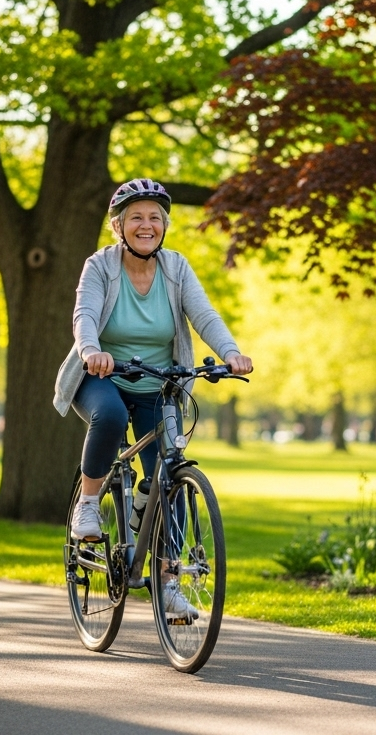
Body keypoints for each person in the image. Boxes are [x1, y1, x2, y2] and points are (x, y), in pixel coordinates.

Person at [52, 178, 253, 618]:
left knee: (171, 476)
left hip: (160, 384)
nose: (147, 225)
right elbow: (84, 314)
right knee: (108, 415)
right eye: (137, 217)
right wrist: (91, 351)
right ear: (118, 226)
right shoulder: (100, 266)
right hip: (103, 376)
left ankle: (167, 584)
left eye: (155, 218)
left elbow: (204, 314)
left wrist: (231, 353)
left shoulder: (176, 268)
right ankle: (87, 507)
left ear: (165, 225)